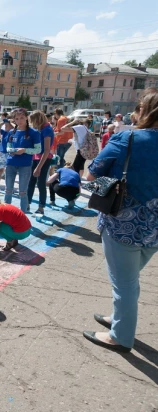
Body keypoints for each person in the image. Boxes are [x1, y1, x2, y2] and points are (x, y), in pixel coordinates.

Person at [82, 88, 158, 353]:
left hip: (124, 222)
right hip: (155, 228)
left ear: (144, 111)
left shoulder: (128, 138)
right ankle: (120, 319)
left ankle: (120, 336)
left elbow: (92, 175)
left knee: (124, 283)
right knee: (129, 279)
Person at [4, 108, 42, 214]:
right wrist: (14, 151)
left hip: (25, 165)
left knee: (22, 192)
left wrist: (25, 150)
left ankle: (23, 215)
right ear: (14, 120)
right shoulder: (12, 132)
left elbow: (38, 149)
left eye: (22, 118)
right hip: (11, 163)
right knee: (8, 190)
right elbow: (8, 148)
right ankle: (6, 214)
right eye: (17, 118)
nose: (19, 120)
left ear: (26, 118)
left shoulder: (34, 133)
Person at [26, 111, 54, 214]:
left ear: (37, 120)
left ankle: (41, 207)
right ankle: (27, 203)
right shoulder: (41, 129)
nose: (32, 124)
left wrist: (39, 167)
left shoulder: (47, 130)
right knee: (31, 181)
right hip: (36, 157)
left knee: (41, 183)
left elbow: (47, 150)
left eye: (33, 121)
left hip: (44, 158)